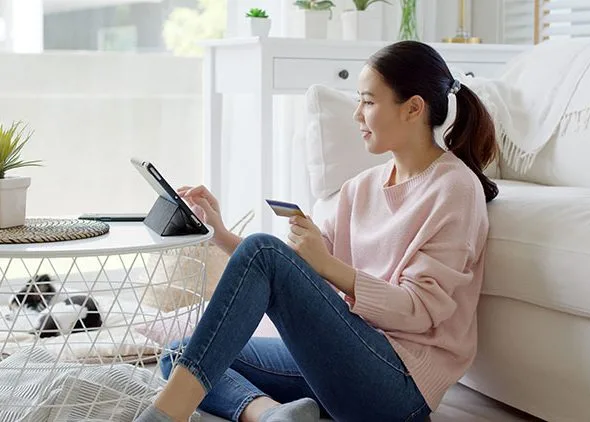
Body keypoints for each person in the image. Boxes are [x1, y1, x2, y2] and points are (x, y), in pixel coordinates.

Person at [135, 40, 498, 422]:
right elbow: (283, 271)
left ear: (413, 108)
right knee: (183, 353)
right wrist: (220, 232)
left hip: (399, 387)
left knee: (262, 254)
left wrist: (327, 266)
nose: (357, 114)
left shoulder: (454, 188)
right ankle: (271, 416)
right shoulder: (361, 187)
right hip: (345, 362)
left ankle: (163, 416)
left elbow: (421, 311)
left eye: (369, 102)